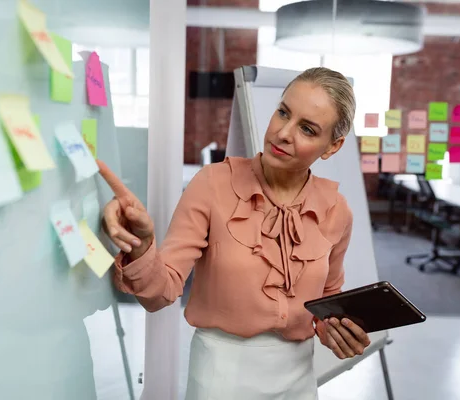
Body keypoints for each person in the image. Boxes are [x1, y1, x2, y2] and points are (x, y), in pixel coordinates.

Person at [98, 67, 371, 399]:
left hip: (299, 379)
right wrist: (141, 246)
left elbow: (327, 298)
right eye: (282, 112)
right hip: (221, 376)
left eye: (307, 129)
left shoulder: (336, 210)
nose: (283, 133)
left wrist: (336, 332)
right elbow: (161, 292)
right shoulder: (212, 184)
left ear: (332, 146)